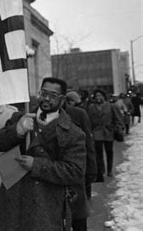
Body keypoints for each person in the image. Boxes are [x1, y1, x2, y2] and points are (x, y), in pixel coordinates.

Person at [0, 77, 86, 231]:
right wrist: (18, 131)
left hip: (46, 205)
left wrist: (36, 165)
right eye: (44, 93)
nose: (47, 99)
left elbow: (75, 171)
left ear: (62, 99)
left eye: (53, 96)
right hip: (13, 200)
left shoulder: (74, 132)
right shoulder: (20, 117)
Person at [64, 91, 97, 231]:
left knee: (78, 217)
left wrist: (91, 168)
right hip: (51, 175)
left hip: (76, 171)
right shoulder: (37, 115)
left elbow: (88, 143)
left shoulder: (79, 114)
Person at [87, 89, 124, 181]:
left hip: (108, 131)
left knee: (109, 151)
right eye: (96, 96)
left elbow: (117, 118)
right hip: (97, 131)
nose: (98, 98)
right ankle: (101, 169)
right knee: (98, 152)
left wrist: (118, 128)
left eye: (100, 96)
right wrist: (89, 131)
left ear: (104, 97)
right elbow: (88, 120)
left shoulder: (111, 106)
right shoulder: (91, 107)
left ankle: (110, 170)